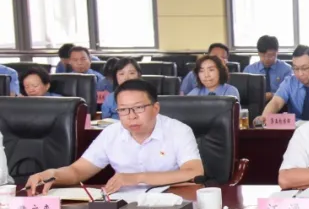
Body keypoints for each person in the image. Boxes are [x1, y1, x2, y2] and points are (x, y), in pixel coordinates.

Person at [25, 79, 204, 196]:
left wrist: (136, 178)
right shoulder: (111, 133)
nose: (131, 116)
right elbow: (78, 171)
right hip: (122, 206)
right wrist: (53, 174)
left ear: (155, 108)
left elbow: (194, 172)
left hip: (170, 202)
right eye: (123, 110)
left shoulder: (178, 131)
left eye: (139, 108)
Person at [256, 45, 309, 124]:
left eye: (304, 68)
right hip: (295, 128)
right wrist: (264, 117)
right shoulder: (290, 82)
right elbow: (276, 102)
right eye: (296, 68)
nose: (300, 74)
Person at [243, 35, 292, 102]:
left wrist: (272, 95)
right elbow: (244, 94)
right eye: (263, 55)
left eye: (270, 55)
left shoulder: (286, 69)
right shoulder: (249, 70)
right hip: (254, 104)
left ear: (277, 52)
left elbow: (290, 92)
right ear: (258, 53)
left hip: (280, 104)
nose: (266, 59)